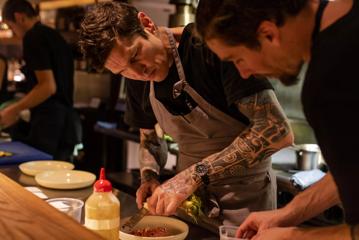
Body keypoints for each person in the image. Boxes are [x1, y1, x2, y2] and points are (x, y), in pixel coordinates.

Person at [79, 1, 293, 226]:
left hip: (246, 202)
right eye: (122, 71)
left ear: (147, 24)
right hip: (188, 202)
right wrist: (149, 177)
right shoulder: (137, 77)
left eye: (135, 55)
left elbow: (277, 130)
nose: (137, 72)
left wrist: (194, 176)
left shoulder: (210, 46)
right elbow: (150, 138)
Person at [195, 0, 359, 239]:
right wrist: (286, 214)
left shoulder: (329, 83)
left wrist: (292, 237)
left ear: (268, 34)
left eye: (237, 59)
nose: (243, 73)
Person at [1, 0, 79, 160]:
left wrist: (14, 109)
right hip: (66, 124)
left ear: (19, 17)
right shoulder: (54, 35)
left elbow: (48, 87)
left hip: (50, 126)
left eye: (11, 26)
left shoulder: (32, 37)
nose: (13, 32)